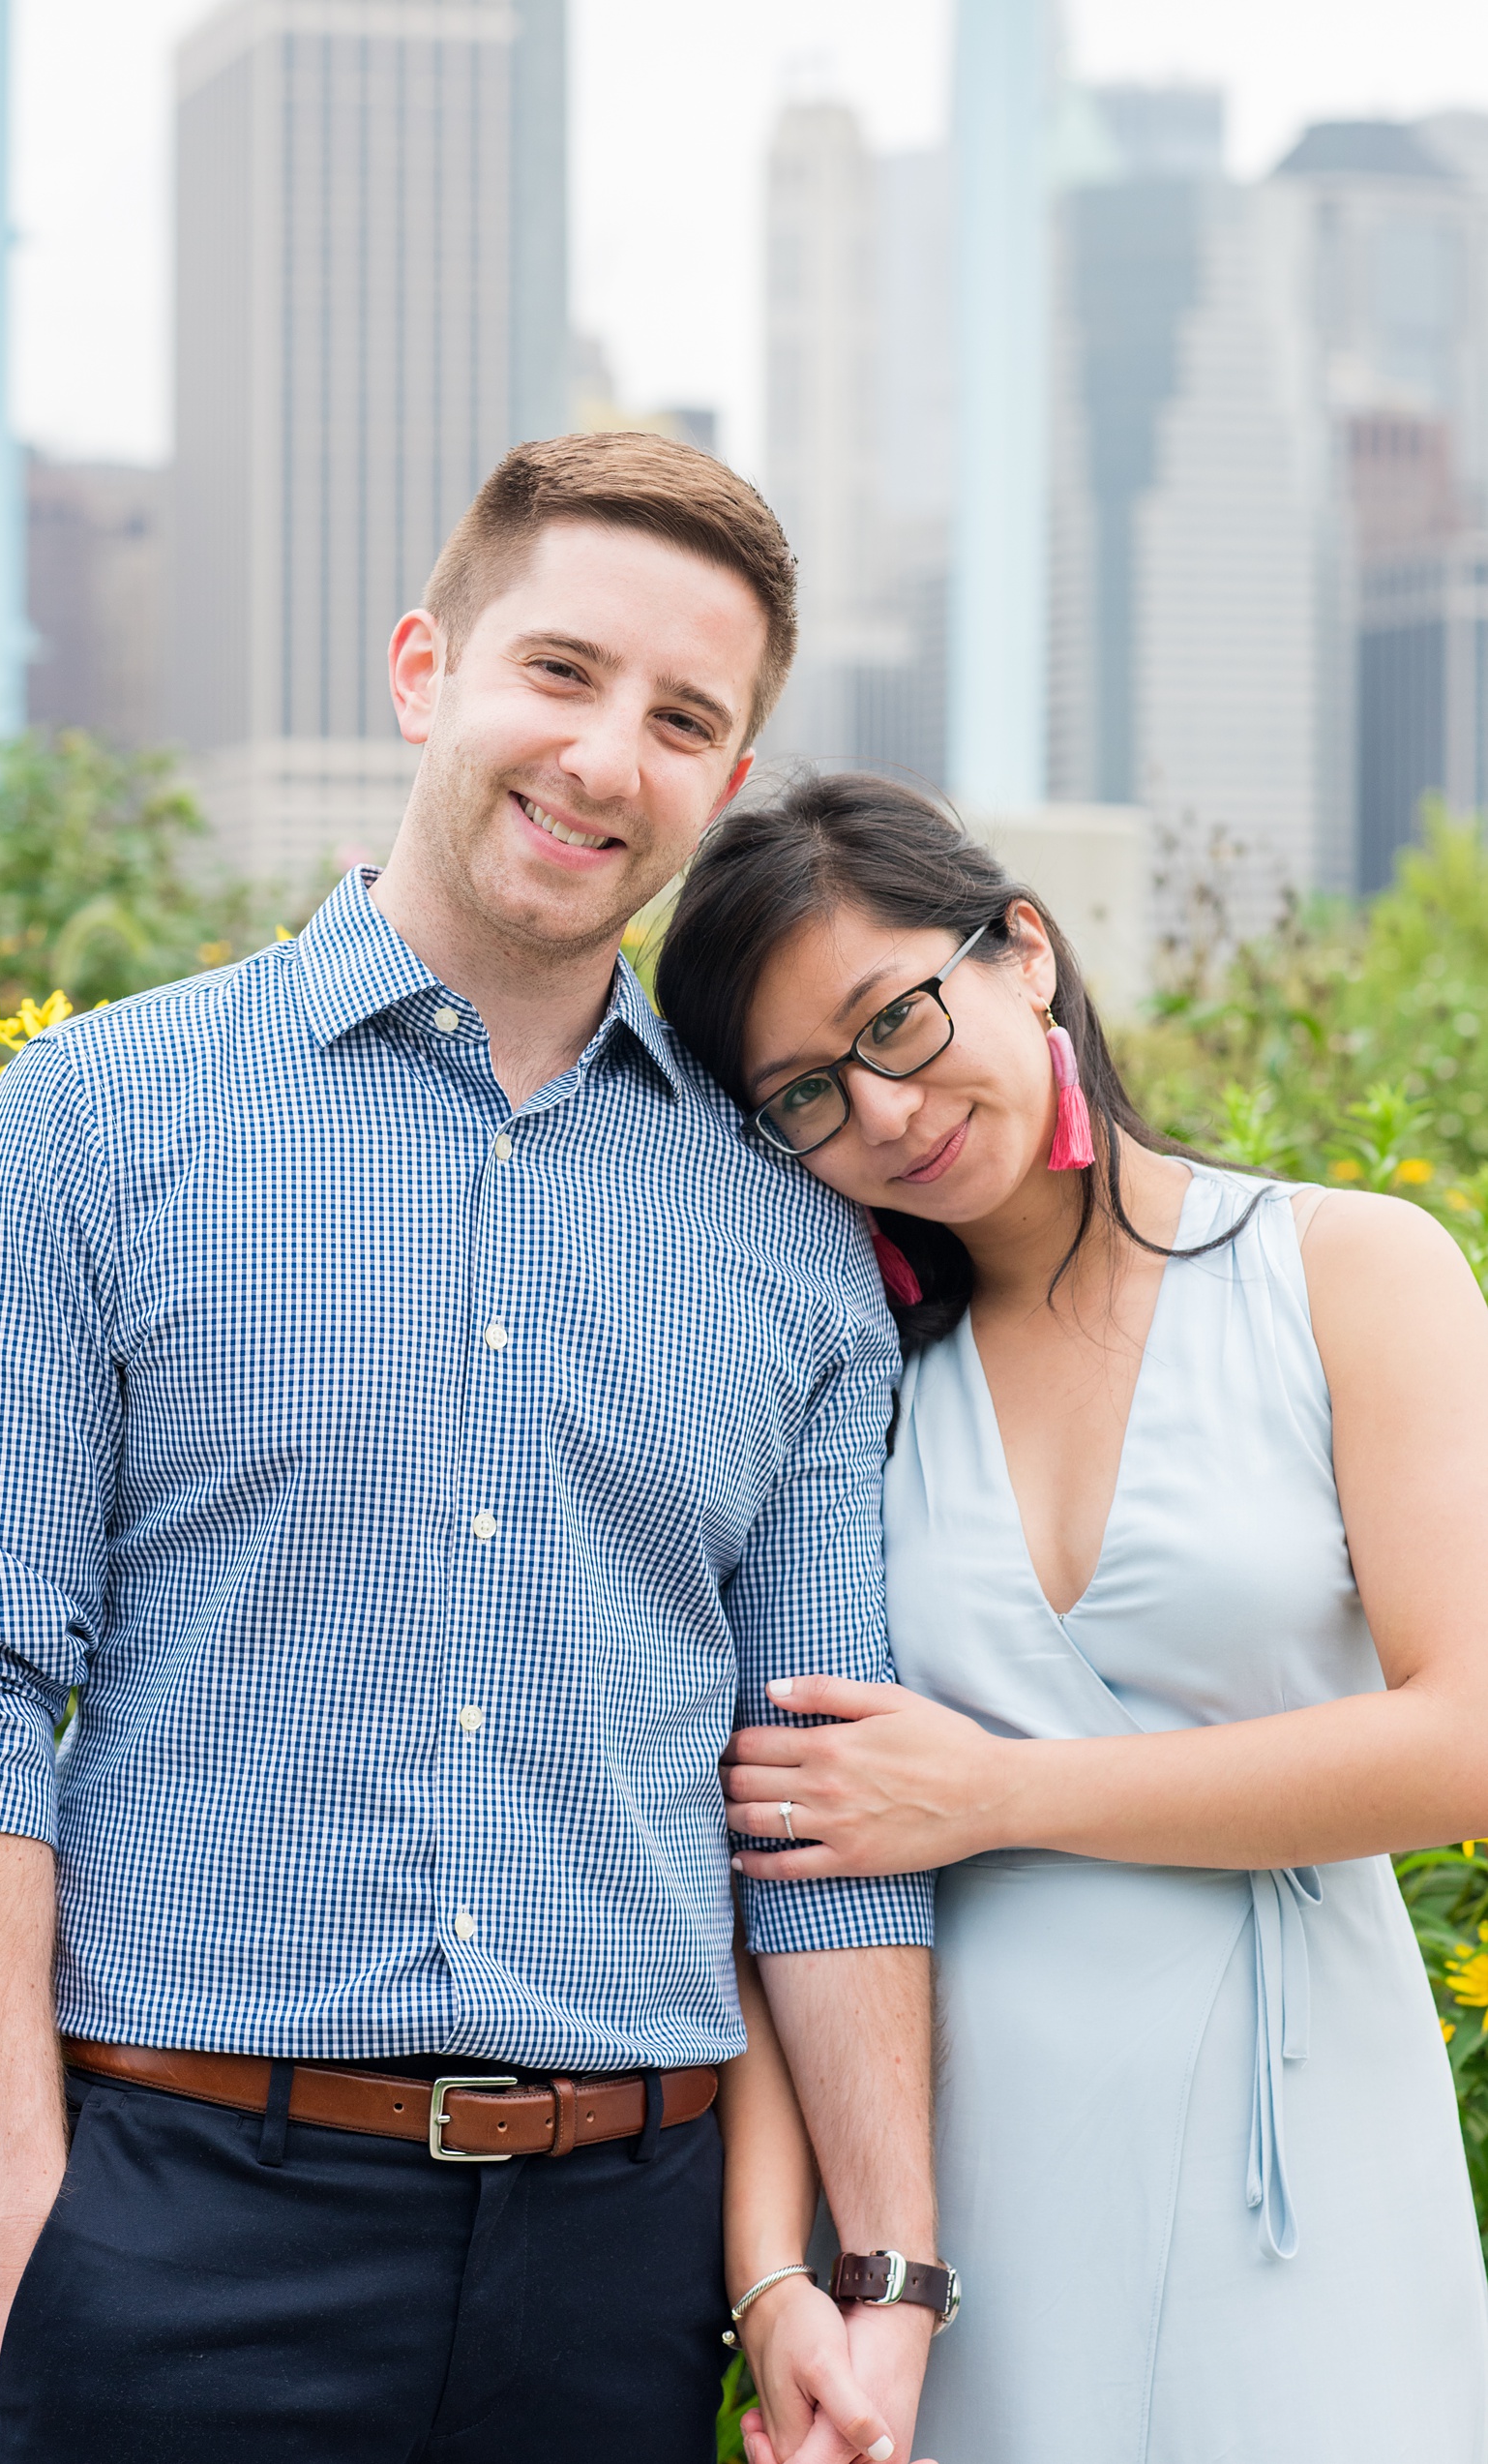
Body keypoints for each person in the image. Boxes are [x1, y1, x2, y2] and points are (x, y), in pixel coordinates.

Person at [0, 441, 944, 2464]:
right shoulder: (96, 1123)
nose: (609, 757)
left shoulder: (795, 1248)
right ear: (424, 668)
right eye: (563, 671)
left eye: (684, 718)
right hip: (182, 2220)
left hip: (623, 2263)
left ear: (723, 781)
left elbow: (814, 1808)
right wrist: (28, 2225)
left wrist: (867, 2280)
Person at [656, 769, 1488, 2464]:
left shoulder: (1348, 1271)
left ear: (1022, 950)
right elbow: (765, 1854)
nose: (881, 1110)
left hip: (1302, 2162)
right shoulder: (845, 1385)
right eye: (804, 1094)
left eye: (897, 1017)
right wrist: (776, 2277)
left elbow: (1470, 1738)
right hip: (956, 2212)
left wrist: (1000, 1794)